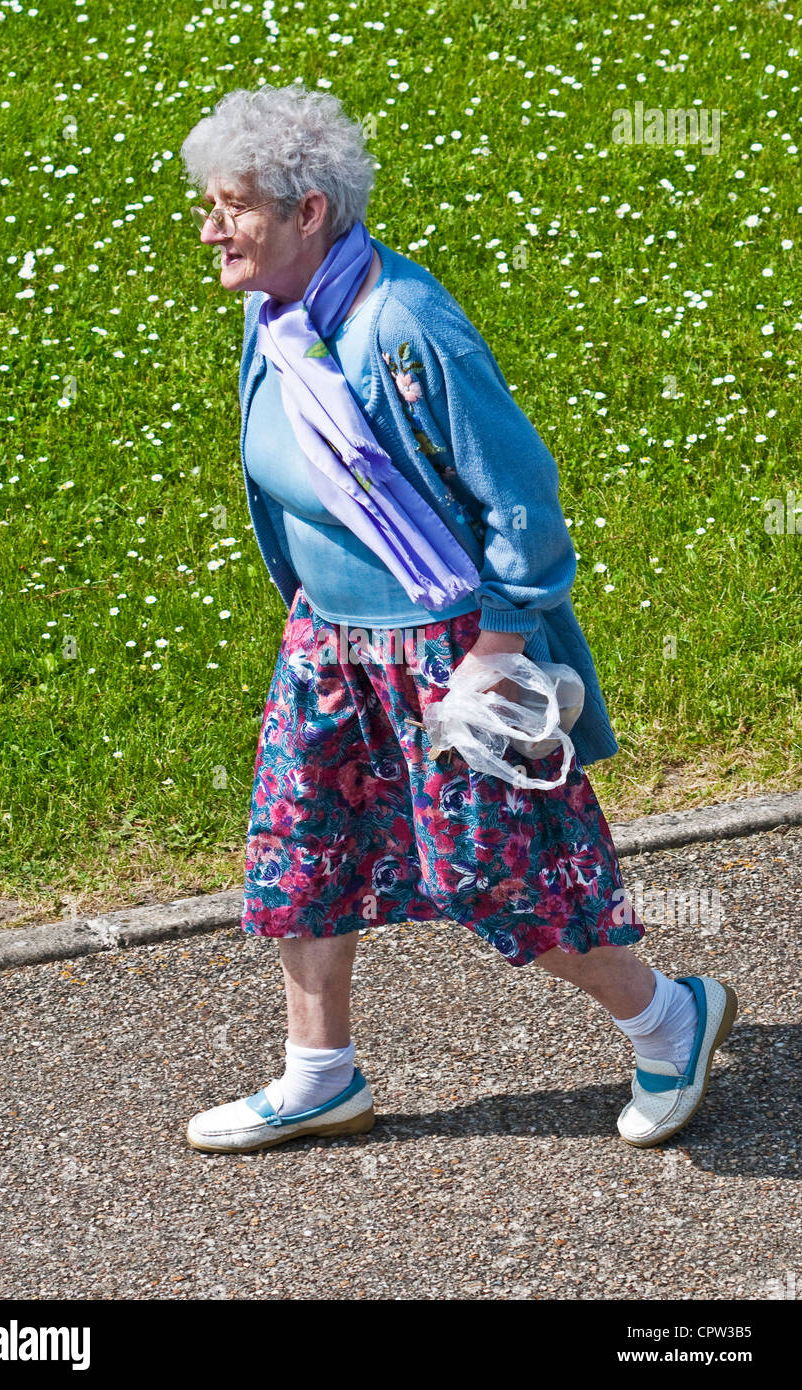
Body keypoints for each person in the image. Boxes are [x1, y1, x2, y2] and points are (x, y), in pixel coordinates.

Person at [179, 83, 737, 1155]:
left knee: (496, 868)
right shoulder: (279, 318)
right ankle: (318, 1076)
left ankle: (671, 1018)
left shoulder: (401, 324)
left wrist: (496, 649)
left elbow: (520, 495)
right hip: (330, 641)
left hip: (450, 644)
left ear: (308, 213)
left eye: (233, 205)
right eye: (210, 203)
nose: (211, 228)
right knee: (300, 853)